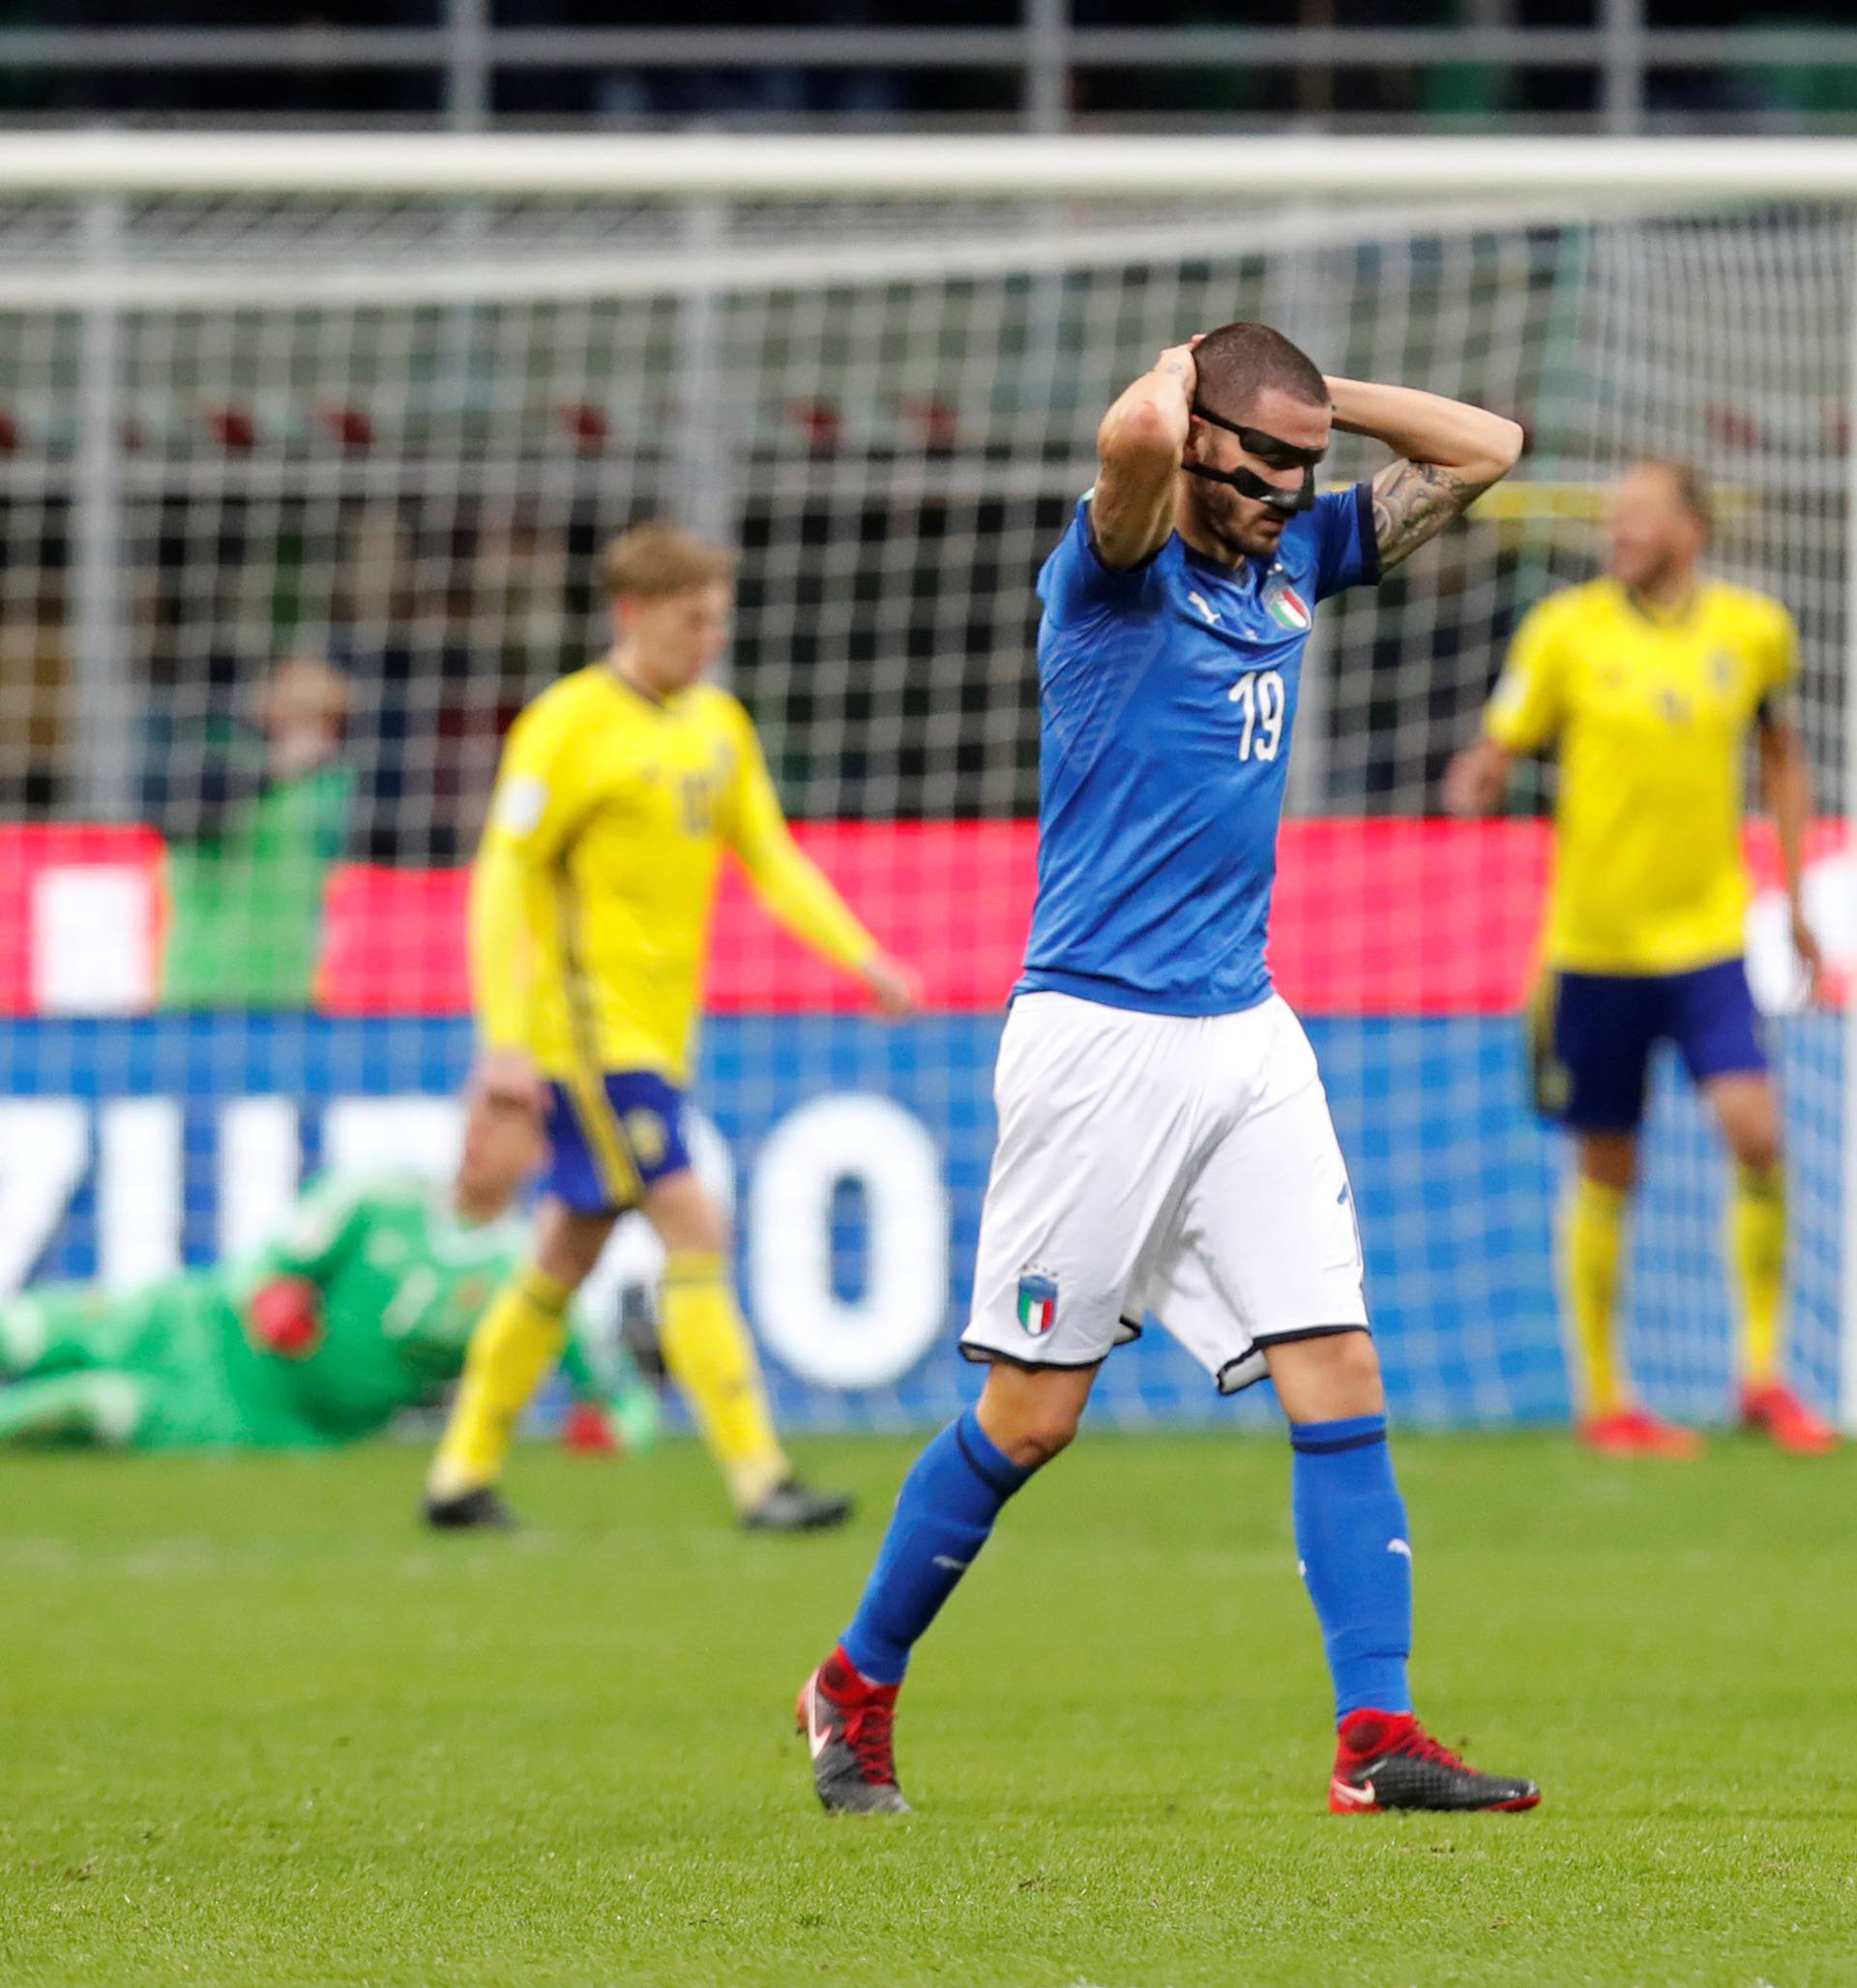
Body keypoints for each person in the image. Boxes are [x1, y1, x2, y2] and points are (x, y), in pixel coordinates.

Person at [797, 321, 1539, 1817]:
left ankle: (1374, 1734)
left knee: (1339, 1363)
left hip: (1247, 1033)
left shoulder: (1294, 557)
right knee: (1033, 1417)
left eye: (1305, 464)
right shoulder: (1113, 577)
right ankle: (853, 1683)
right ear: (1198, 435)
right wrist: (1181, 362)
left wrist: (1313, 402)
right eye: (1258, 458)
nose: (1285, 486)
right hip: (1099, 1040)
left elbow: (1489, 448)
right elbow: (1131, 444)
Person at [424, 521, 921, 1534]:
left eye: (718, 622)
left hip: (658, 1040)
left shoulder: (718, 728)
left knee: (567, 1248)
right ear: (631, 616)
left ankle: (460, 1474)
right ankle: (759, 1477)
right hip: (590, 1043)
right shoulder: (566, 727)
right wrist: (504, 1035)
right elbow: (502, 880)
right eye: (692, 622)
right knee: (695, 1225)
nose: (708, 641)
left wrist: (861, 956)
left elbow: (771, 858)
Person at [1444, 460, 1833, 1459]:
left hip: (1708, 938)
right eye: (1616, 516)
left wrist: (1791, 897)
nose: (1621, 530)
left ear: (1691, 531)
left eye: (1643, 516)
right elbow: (1506, 734)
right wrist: (1483, 770)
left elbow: (1781, 759)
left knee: (1754, 1131)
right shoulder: (1564, 632)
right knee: (1609, 1160)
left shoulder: (1753, 631)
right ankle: (1606, 1396)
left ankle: (1760, 1375)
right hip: (1594, 947)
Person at [0, 1081, 658, 1455]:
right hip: (186, 1322)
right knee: (22, 1329)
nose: (479, 1131)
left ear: (542, 1152)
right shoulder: (373, 1197)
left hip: (255, 1420)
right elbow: (264, 1272)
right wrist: (271, 1297)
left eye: (505, 1120)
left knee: (78, 1409)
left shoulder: (529, 1273)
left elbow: (626, 1401)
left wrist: (609, 1431)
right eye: (478, 1111)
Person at [160, 651, 355, 1010]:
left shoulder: (330, 784)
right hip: (202, 990)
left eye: (331, 726)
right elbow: (182, 818)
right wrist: (276, 771)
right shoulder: (216, 754)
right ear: (271, 716)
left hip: (291, 994)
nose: (324, 740)